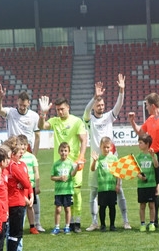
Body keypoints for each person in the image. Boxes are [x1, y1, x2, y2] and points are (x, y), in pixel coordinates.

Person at [83, 76, 131, 230]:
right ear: (94, 106)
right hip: (96, 160)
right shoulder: (89, 119)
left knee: (119, 189)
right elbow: (86, 110)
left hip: (112, 158)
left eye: (102, 104)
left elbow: (119, 105)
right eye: (98, 105)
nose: (101, 107)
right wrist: (95, 96)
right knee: (94, 192)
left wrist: (121, 90)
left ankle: (125, 221)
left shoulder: (109, 116)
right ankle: (94, 222)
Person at [39, 96, 88, 232]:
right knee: (64, 194)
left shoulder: (77, 121)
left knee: (76, 192)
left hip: (74, 163)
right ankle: (68, 223)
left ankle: (76, 222)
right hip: (60, 165)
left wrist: (81, 157)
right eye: (57, 110)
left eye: (62, 109)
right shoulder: (54, 121)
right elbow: (41, 126)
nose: (60, 112)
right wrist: (43, 113)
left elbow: (84, 140)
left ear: (68, 108)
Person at [129, 94, 159, 227]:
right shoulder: (150, 119)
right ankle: (154, 221)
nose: (146, 107)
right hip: (151, 157)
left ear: (153, 106)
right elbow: (140, 132)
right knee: (154, 189)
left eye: (147, 105)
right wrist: (132, 121)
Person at [5, 138, 33, 251]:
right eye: (18, 151)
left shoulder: (20, 165)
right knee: (14, 233)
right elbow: (26, 183)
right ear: (12, 153)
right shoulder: (13, 166)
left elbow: (27, 182)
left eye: (23, 149)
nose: (21, 153)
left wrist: (30, 194)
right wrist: (22, 184)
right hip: (16, 202)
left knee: (15, 232)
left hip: (19, 201)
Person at [91, 138, 121, 232]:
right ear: (100, 147)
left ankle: (112, 225)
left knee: (112, 207)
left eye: (108, 147)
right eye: (104, 147)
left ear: (111, 147)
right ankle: (103, 225)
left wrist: (118, 184)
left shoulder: (114, 158)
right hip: (102, 188)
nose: (106, 149)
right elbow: (93, 169)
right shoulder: (99, 158)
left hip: (112, 187)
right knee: (102, 207)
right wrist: (94, 161)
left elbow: (118, 172)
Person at [134, 133, 159, 231]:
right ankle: (142, 224)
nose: (139, 145)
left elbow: (156, 166)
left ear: (147, 144)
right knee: (142, 205)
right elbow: (136, 170)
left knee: (151, 205)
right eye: (139, 142)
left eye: (141, 143)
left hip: (151, 184)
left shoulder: (153, 155)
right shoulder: (138, 156)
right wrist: (140, 176)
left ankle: (152, 223)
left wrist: (153, 157)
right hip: (141, 185)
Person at [50, 142, 76, 234]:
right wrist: (59, 178)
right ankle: (57, 227)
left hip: (68, 191)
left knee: (67, 209)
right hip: (58, 191)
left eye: (65, 151)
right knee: (58, 209)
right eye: (61, 150)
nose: (63, 152)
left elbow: (73, 174)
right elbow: (52, 177)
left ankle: (67, 226)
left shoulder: (71, 164)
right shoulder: (56, 164)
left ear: (68, 152)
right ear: (58, 151)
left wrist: (77, 168)